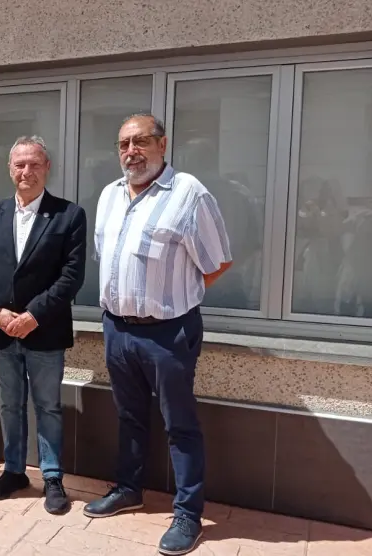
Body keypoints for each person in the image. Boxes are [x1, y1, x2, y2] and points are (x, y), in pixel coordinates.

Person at [85, 114, 232, 556]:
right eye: (124, 144)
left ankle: (188, 513)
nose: (132, 151)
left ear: (162, 145)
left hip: (169, 333)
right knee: (129, 417)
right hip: (117, 328)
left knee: (179, 424)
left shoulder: (188, 193)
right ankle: (129, 488)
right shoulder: (110, 195)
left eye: (142, 141)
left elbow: (218, 262)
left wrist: (175, 299)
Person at [0, 135, 86, 515]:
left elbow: (71, 276)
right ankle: (14, 470)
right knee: (10, 404)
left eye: (35, 164)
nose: (27, 171)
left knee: (48, 405)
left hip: (44, 331)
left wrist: (34, 315)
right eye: (20, 164)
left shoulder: (69, 215)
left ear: (47, 168)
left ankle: (52, 477)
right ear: (10, 169)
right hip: (2, 331)